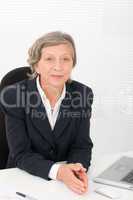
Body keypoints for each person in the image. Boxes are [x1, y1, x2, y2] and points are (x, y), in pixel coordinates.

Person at [0, 31, 93, 195]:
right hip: (22, 180)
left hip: (63, 186)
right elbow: (21, 154)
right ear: (36, 65)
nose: (58, 66)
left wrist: (77, 169)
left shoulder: (83, 94)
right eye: (49, 59)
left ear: (73, 63)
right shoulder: (13, 95)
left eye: (65, 59)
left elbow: (82, 145)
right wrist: (59, 172)